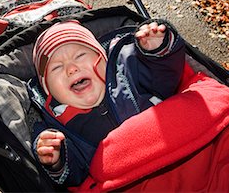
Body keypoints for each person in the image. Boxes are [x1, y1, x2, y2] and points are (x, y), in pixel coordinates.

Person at [29, 19, 185, 186]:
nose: (71, 68)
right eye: (57, 68)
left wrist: (158, 49)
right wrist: (56, 162)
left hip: (176, 157)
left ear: (103, 59)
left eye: (80, 55)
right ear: (48, 91)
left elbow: (164, 78)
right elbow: (75, 176)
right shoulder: (58, 130)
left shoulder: (128, 70)